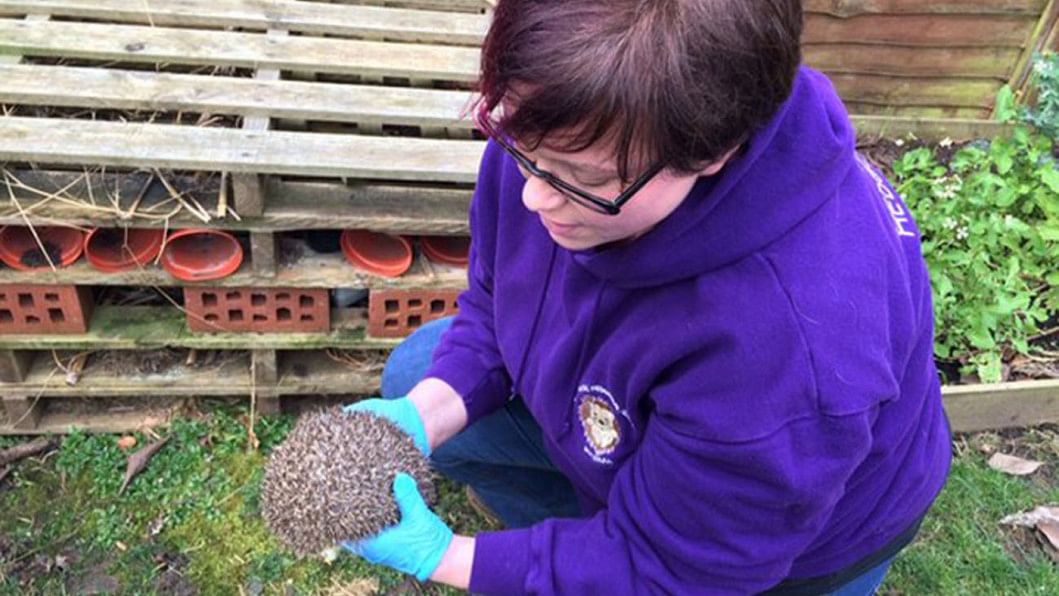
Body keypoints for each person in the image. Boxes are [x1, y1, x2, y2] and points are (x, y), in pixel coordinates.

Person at [343, 1, 952, 593]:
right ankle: (582, 545)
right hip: (630, 408)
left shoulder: (788, 347)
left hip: (777, 542)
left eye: (584, 180)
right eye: (519, 145)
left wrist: (446, 557)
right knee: (417, 372)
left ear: (711, 152)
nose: (533, 198)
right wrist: (426, 413)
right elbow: (496, 300)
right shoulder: (569, 125)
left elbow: (677, 570)